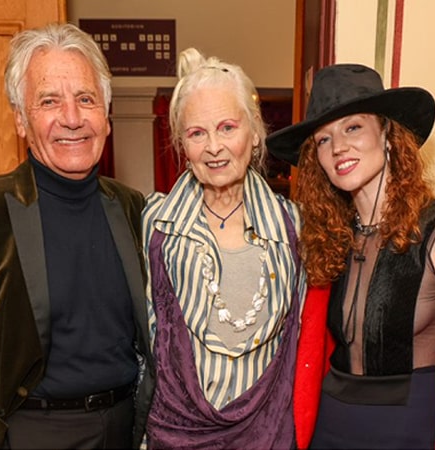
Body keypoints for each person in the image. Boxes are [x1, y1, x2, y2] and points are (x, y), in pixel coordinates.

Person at [266, 64, 435, 449]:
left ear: (388, 135)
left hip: (414, 429)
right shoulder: (326, 237)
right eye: (323, 140)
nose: (338, 148)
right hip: (330, 428)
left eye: (353, 128)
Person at [0, 23, 154, 450]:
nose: (73, 118)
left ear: (105, 114)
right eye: (49, 101)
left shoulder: (135, 208)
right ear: (21, 121)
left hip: (123, 430)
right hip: (30, 434)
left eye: (85, 99)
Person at [141, 47, 307, 449]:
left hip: (266, 436)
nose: (214, 147)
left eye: (227, 127)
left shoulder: (294, 226)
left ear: (254, 134)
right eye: (197, 133)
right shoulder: (155, 222)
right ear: (182, 145)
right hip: (174, 435)